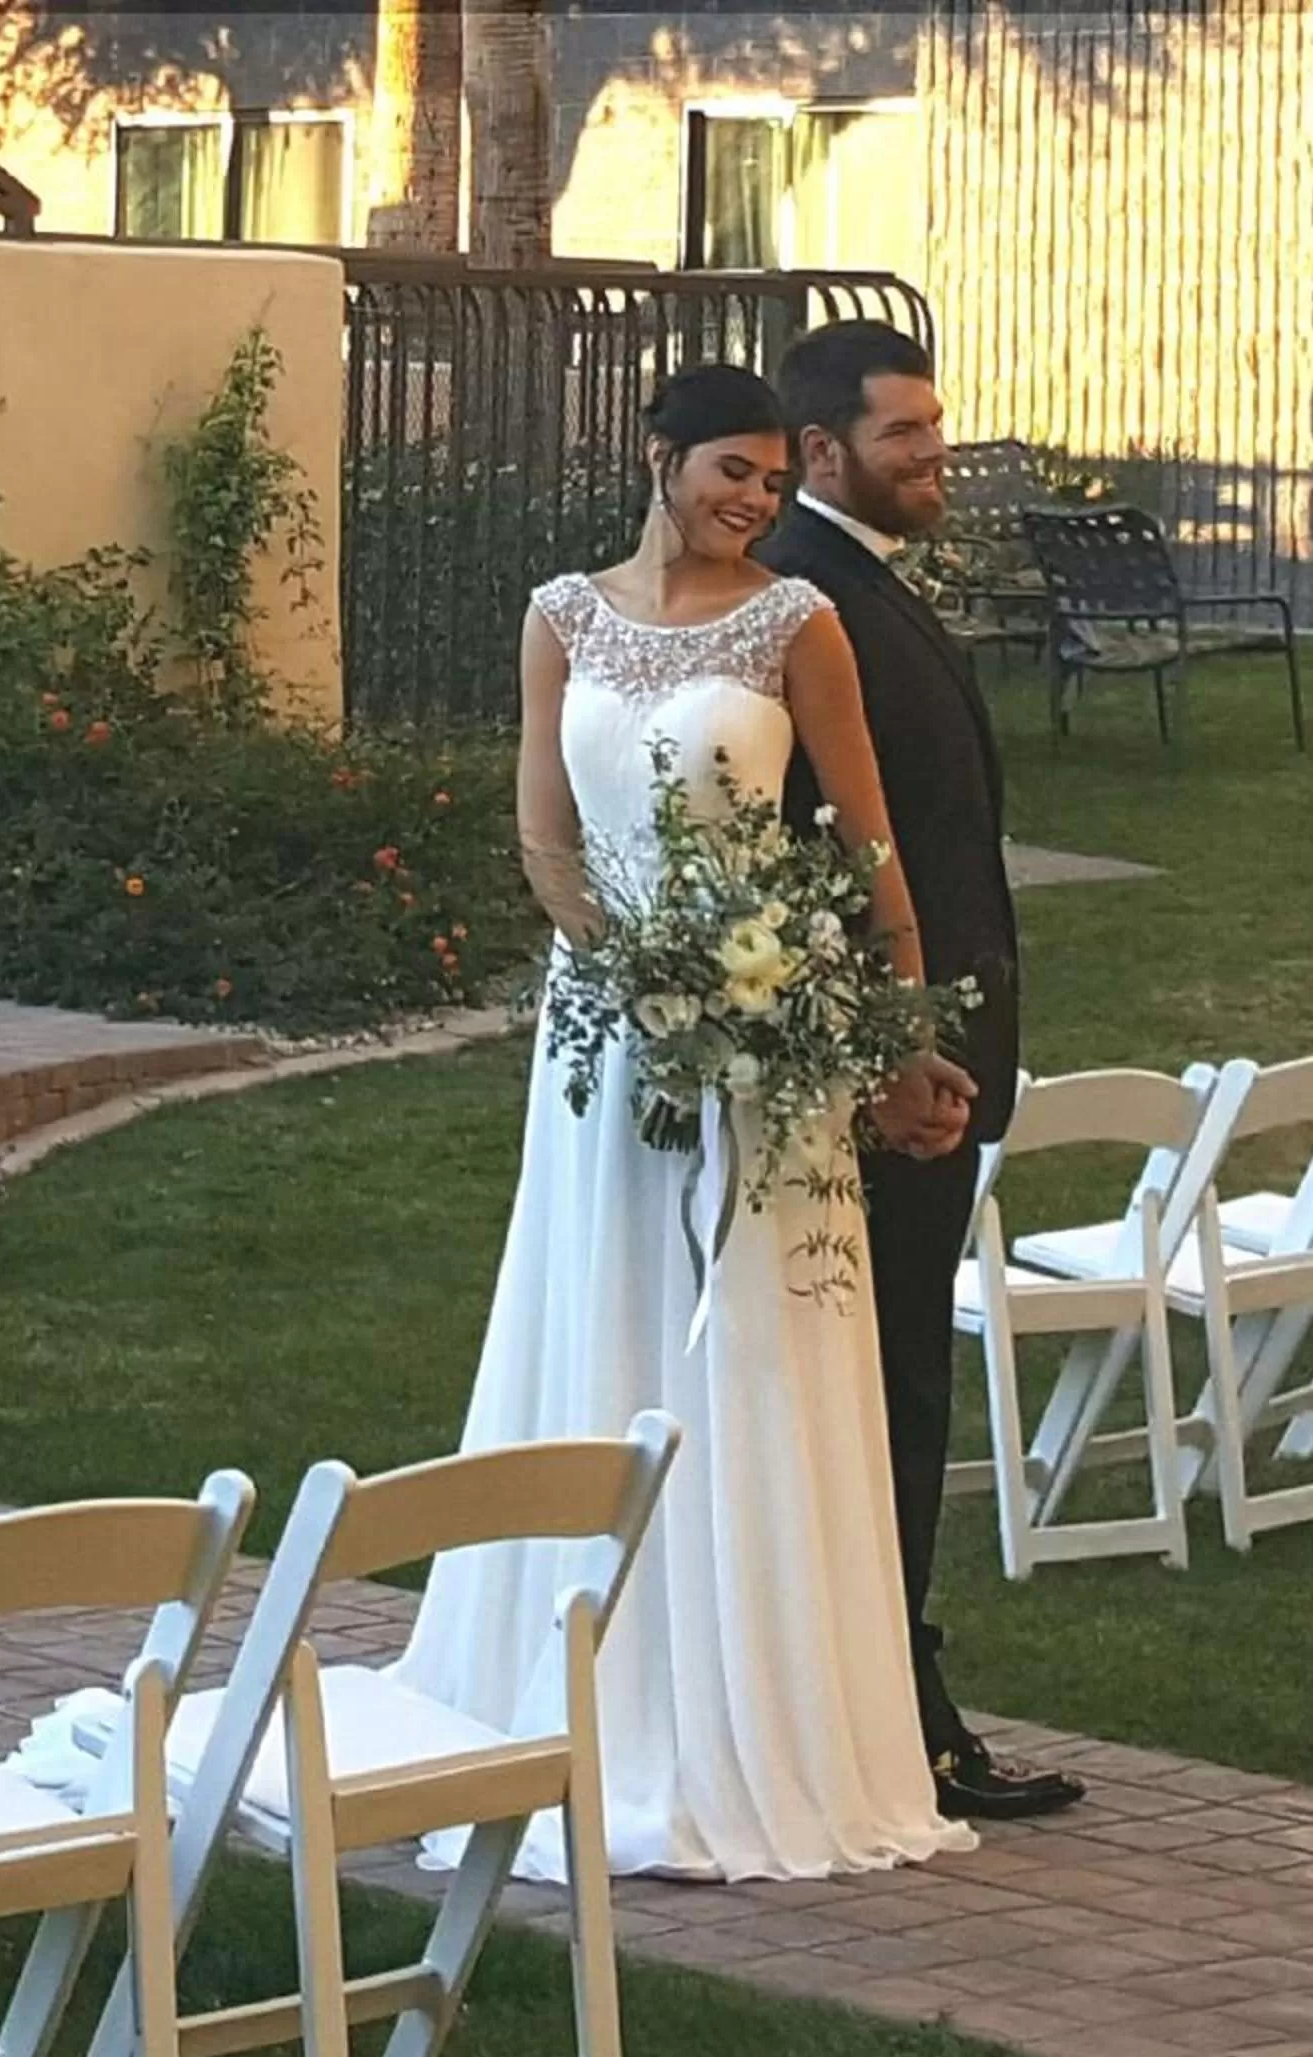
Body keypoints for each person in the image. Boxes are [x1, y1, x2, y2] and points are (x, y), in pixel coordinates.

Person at [389, 364, 976, 1882]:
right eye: (734, 470)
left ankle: (755, 1712)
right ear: (659, 457)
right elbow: (544, 829)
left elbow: (863, 838)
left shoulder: (798, 625)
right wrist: (636, 969)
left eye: (778, 483)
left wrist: (895, 1023)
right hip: (607, 1029)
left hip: (765, 1038)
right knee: (601, 1320)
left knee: (751, 1355)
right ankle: (577, 1677)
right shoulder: (560, 615)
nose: (756, 501)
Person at [760, 321, 1086, 1821]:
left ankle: (890, 1695)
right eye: (907, 437)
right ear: (823, 450)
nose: (934, 456)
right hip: (889, 1081)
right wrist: (892, 1046)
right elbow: (822, 853)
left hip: (935, 1058)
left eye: (936, 429)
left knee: (898, 1379)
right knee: (890, 1386)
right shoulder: (805, 605)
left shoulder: (860, 589)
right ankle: (907, 1715)